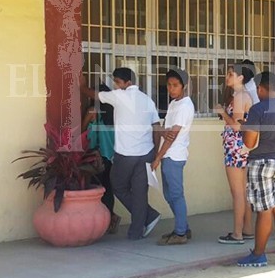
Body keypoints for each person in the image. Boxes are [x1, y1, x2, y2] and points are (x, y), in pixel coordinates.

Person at [80, 68, 161, 241]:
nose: (115, 85)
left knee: (118, 186)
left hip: (126, 154)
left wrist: (81, 84)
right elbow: (157, 127)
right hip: (146, 153)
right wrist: (155, 153)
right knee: (140, 192)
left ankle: (150, 215)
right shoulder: (147, 100)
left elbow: (92, 94)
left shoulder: (119, 96)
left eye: (117, 82)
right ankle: (137, 231)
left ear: (126, 83)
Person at [237, 71, 275, 267]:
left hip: (261, 163)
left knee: (264, 211)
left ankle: (259, 254)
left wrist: (246, 128)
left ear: (260, 88)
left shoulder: (258, 109)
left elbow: (250, 141)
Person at [151, 69, 195, 245]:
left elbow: (171, 137)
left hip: (174, 156)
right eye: (169, 85)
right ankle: (182, 226)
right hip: (168, 155)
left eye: (175, 85)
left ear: (184, 86)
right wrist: (163, 132)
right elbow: (165, 132)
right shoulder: (174, 104)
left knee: (176, 195)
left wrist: (157, 157)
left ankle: (180, 233)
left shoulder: (184, 106)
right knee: (169, 195)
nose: (171, 88)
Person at [213, 62, 255, 244]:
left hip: (235, 147)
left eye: (231, 73)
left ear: (240, 77)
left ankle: (237, 233)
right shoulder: (241, 95)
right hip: (239, 146)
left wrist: (223, 113)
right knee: (242, 190)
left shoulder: (240, 96)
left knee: (237, 192)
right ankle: (247, 229)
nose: (227, 76)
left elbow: (237, 125)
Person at [82, 84, 121, 234]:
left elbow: (83, 131)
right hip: (112, 157)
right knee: (107, 189)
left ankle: (101, 221)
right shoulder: (116, 114)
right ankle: (110, 218)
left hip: (96, 157)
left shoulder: (93, 111)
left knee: (95, 190)